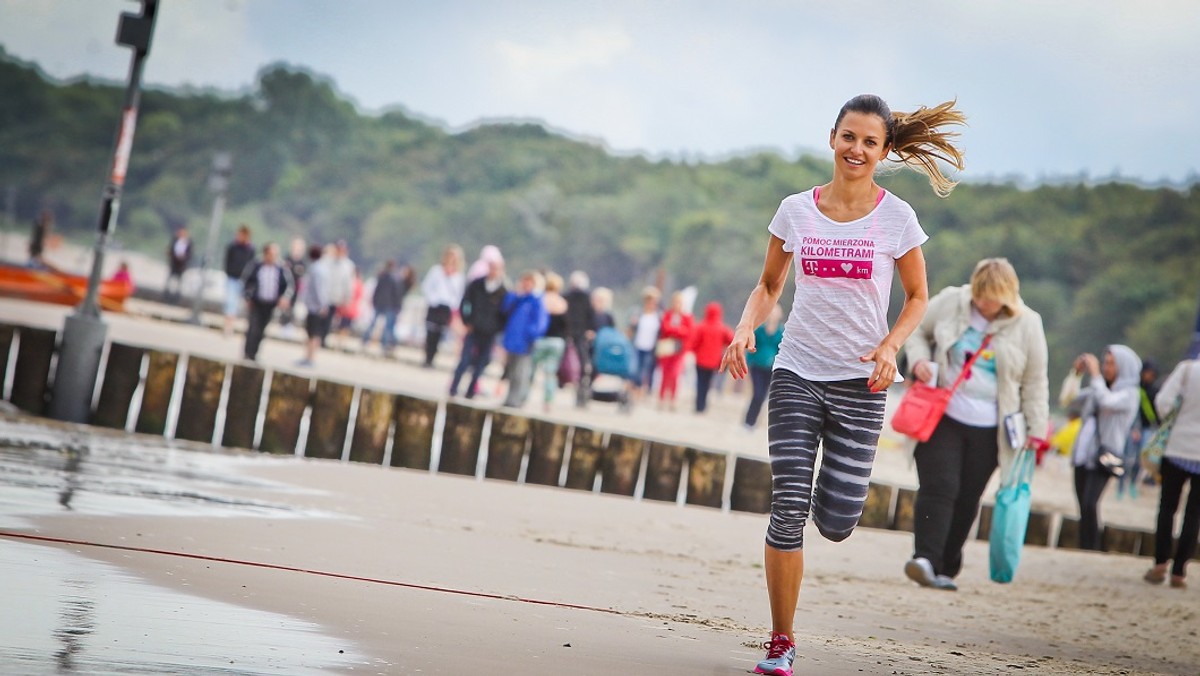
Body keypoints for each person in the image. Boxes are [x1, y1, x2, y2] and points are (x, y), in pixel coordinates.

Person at [719, 93, 965, 676]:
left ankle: (828, 524)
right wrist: (745, 326)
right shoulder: (795, 211)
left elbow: (919, 298)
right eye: (848, 137)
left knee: (834, 520)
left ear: (884, 152)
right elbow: (769, 285)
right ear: (833, 138)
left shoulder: (897, 217)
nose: (856, 149)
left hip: (862, 383)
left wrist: (889, 346)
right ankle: (782, 641)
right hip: (797, 371)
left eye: (869, 142)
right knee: (786, 508)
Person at [900, 258, 1049, 590]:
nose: (985, 305)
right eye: (981, 297)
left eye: (993, 299)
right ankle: (924, 558)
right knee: (940, 487)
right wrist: (920, 359)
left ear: (1008, 296)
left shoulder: (1028, 324)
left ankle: (945, 566)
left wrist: (1037, 430)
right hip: (943, 415)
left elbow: (1036, 381)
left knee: (968, 497)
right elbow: (916, 330)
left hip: (992, 428)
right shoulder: (953, 301)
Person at [1062, 345, 1142, 551]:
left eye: (1111, 363)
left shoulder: (1130, 393)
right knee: (1082, 504)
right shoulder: (1097, 388)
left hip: (1105, 455)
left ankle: (1092, 546)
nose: (1106, 367)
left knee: (1090, 503)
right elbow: (1069, 400)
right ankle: (1084, 545)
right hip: (1083, 453)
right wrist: (1076, 374)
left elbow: (1107, 402)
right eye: (1104, 363)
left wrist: (1095, 374)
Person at [1144, 358, 1200, 589]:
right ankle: (1179, 572)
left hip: (1177, 447)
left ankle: (1160, 564)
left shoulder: (1187, 370)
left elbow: (1163, 402)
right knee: (1194, 515)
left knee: (1167, 508)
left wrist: (1176, 415)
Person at [450, 254, 507, 399]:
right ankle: (454, 388)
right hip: (473, 328)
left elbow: (505, 314)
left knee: (482, 363)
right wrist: (466, 320)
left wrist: (497, 329)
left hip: (489, 332)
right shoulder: (476, 284)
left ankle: (471, 391)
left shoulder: (503, 291)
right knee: (464, 359)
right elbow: (465, 302)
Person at [501, 270, 548, 409]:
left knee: (521, 373)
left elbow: (540, 323)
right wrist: (516, 294)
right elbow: (505, 309)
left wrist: (530, 335)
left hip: (525, 342)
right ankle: (510, 398)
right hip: (513, 341)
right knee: (511, 371)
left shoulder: (537, 301)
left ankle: (517, 400)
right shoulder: (519, 299)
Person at [240, 242, 292, 362]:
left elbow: (288, 286)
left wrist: (284, 298)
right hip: (256, 302)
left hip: (270, 304)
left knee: (261, 329)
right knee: (253, 327)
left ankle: (254, 354)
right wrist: (247, 297)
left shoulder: (281, 269)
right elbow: (246, 281)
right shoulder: (256, 266)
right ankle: (248, 352)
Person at [1119, 360, 1160, 497]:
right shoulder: (1135, 389)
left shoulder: (1154, 390)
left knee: (1138, 460)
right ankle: (1120, 485)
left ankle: (1132, 484)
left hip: (1147, 428)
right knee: (1126, 457)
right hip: (1133, 428)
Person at [420, 244, 465, 368]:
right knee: (430, 333)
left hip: (447, 308)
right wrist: (432, 299)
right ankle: (427, 357)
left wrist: (453, 305)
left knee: (440, 334)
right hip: (435, 305)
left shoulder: (459, 276)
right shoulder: (436, 271)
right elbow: (426, 286)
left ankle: (432, 357)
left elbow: (459, 294)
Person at [531, 272, 570, 412]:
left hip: (541, 340)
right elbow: (567, 326)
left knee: (531, 369)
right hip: (557, 342)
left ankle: (523, 395)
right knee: (550, 374)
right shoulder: (562, 302)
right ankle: (548, 402)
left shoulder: (541, 299)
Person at [744, 304, 785, 430]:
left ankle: (753, 422)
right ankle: (748, 421)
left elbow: (781, 350)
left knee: (763, 395)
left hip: (771, 368)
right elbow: (751, 347)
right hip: (757, 366)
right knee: (757, 393)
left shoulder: (781, 332)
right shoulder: (760, 330)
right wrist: (747, 363)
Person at [690, 301, 733, 414]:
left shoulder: (701, 326)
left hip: (700, 361)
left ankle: (699, 406)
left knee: (700, 382)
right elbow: (731, 339)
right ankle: (703, 405)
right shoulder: (722, 328)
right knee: (708, 383)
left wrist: (694, 351)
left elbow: (694, 342)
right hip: (713, 362)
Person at [362, 260, 409, 357]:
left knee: (373, 324)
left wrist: (374, 301)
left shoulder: (382, 276)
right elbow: (397, 294)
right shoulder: (395, 279)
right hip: (390, 305)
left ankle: (365, 340)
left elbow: (377, 290)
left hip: (380, 303)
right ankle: (384, 345)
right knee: (387, 327)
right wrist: (397, 306)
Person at [656, 291, 694, 411]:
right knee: (665, 374)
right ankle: (661, 398)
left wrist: (675, 331)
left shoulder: (687, 317)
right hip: (667, 348)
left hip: (679, 350)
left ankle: (672, 399)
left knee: (675, 374)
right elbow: (665, 328)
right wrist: (678, 330)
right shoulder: (667, 315)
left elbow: (688, 332)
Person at [564, 271, 597, 407]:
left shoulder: (567, 297)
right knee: (583, 366)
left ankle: (580, 392)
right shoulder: (586, 298)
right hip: (578, 335)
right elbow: (591, 317)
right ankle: (581, 391)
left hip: (573, 334)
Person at [296, 244, 331, 368]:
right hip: (315, 305)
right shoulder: (320, 268)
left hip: (315, 306)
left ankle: (310, 358)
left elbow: (319, 289)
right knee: (312, 333)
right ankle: (308, 357)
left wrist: (322, 305)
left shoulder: (317, 269)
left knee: (313, 333)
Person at [223, 225, 255, 336]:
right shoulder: (232, 246)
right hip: (232, 278)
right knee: (230, 302)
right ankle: (228, 327)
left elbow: (251, 265)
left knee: (241, 304)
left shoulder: (250, 249)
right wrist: (229, 272)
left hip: (244, 280)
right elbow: (227, 261)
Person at [630, 287, 662, 397]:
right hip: (638, 345)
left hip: (650, 347)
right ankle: (635, 388)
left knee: (646, 370)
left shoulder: (658, 316)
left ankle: (642, 390)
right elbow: (631, 329)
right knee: (635, 369)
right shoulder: (639, 314)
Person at [278, 237, 308, 334]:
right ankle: (282, 323)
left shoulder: (302, 263)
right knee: (284, 306)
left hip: (295, 288)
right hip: (285, 287)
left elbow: (301, 276)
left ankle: (288, 325)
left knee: (292, 306)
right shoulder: (287, 260)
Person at [165, 227, 192, 303]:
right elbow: (170, 250)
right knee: (170, 282)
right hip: (174, 264)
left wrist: (183, 258)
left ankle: (176, 299)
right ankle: (167, 297)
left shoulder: (188, 243)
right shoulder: (175, 241)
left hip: (181, 266)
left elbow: (189, 254)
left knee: (179, 283)